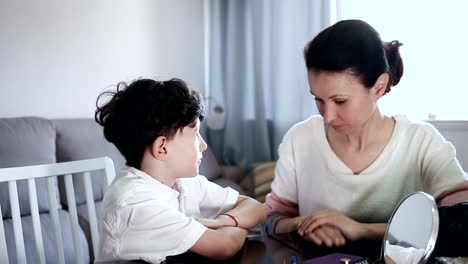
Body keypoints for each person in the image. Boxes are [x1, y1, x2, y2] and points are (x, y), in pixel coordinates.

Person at [264, 19, 468, 248]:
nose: (327, 116)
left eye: (339, 101)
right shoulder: (299, 139)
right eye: (318, 99)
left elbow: (463, 220)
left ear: (379, 87)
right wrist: (306, 224)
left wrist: (361, 230)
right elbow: (270, 220)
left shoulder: (421, 142)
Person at [94, 78, 266, 263]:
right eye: (195, 134)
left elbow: (256, 208)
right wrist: (241, 223)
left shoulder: (182, 181)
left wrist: (222, 222)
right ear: (162, 148)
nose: (204, 145)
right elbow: (226, 246)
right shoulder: (134, 203)